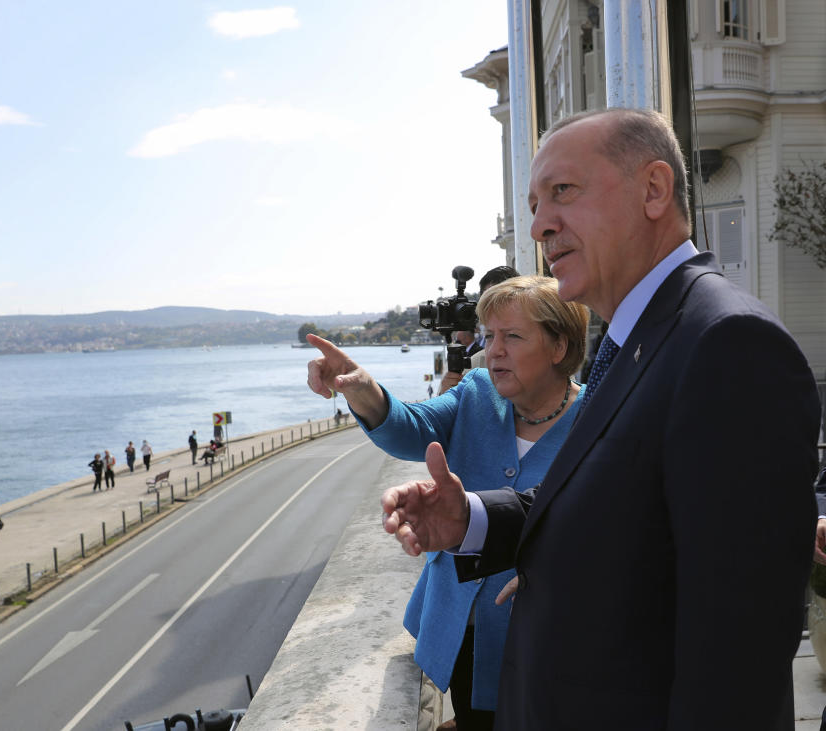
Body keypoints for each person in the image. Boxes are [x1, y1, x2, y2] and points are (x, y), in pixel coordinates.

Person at [381, 108, 821, 731]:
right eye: (535, 204)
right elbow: (617, 506)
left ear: (653, 189)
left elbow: (738, 651)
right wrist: (472, 518)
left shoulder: (728, 343)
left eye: (563, 192)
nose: (540, 224)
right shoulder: (642, 336)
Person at [308, 275, 588, 731]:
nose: (493, 350)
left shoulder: (595, 421)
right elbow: (410, 427)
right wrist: (360, 387)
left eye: (513, 336)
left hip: (541, 646)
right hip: (460, 628)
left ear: (559, 347)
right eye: (490, 335)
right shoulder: (476, 392)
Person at [439, 265, 520, 395]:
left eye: (502, 301)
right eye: (488, 303)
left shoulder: (541, 359)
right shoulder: (471, 368)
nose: (495, 311)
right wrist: (446, 396)